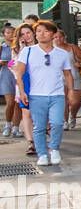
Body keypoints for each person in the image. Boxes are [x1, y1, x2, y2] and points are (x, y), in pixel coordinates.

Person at [13, 19, 74, 166]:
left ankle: (54, 149)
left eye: (45, 31)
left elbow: (67, 74)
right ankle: (42, 154)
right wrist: (22, 92)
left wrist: (71, 91)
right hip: (36, 95)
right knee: (39, 126)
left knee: (57, 123)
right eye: (38, 31)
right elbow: (19, 73)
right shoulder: (28, 51)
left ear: (53, 34)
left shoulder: (62, 54)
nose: (41, 34)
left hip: (57, 94)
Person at [53, 29, 81, 129]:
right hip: (58, 78)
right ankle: (64, 121)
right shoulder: (51, 49)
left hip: (74, 76)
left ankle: (73, 116)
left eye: (60, 37)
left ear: (64, 37)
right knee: (63, 101)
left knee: (75, 101)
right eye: (55, 37)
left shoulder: (72, 47)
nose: (58, 39)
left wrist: (80, 64)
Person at [9, 24, 36, 152]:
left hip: (40, 83)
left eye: (28, 33)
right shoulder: (17, 49)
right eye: (22, 34)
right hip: (24, 82)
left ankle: (42, 134)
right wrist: (21, 49)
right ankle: (31, 142)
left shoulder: (42, 46)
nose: (26, 36)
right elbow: (12, 64)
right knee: (27, 112)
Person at [0, 24, 14, 138]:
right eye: (8, 32)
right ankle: (8, 125)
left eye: (12, 32)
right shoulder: (1, 47)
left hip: (18, 76)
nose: (11, 34)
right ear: (4, 35)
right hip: (6, 76)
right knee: (10, 103)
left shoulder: (19, 46)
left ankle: (16, 127)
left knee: (19, 104)